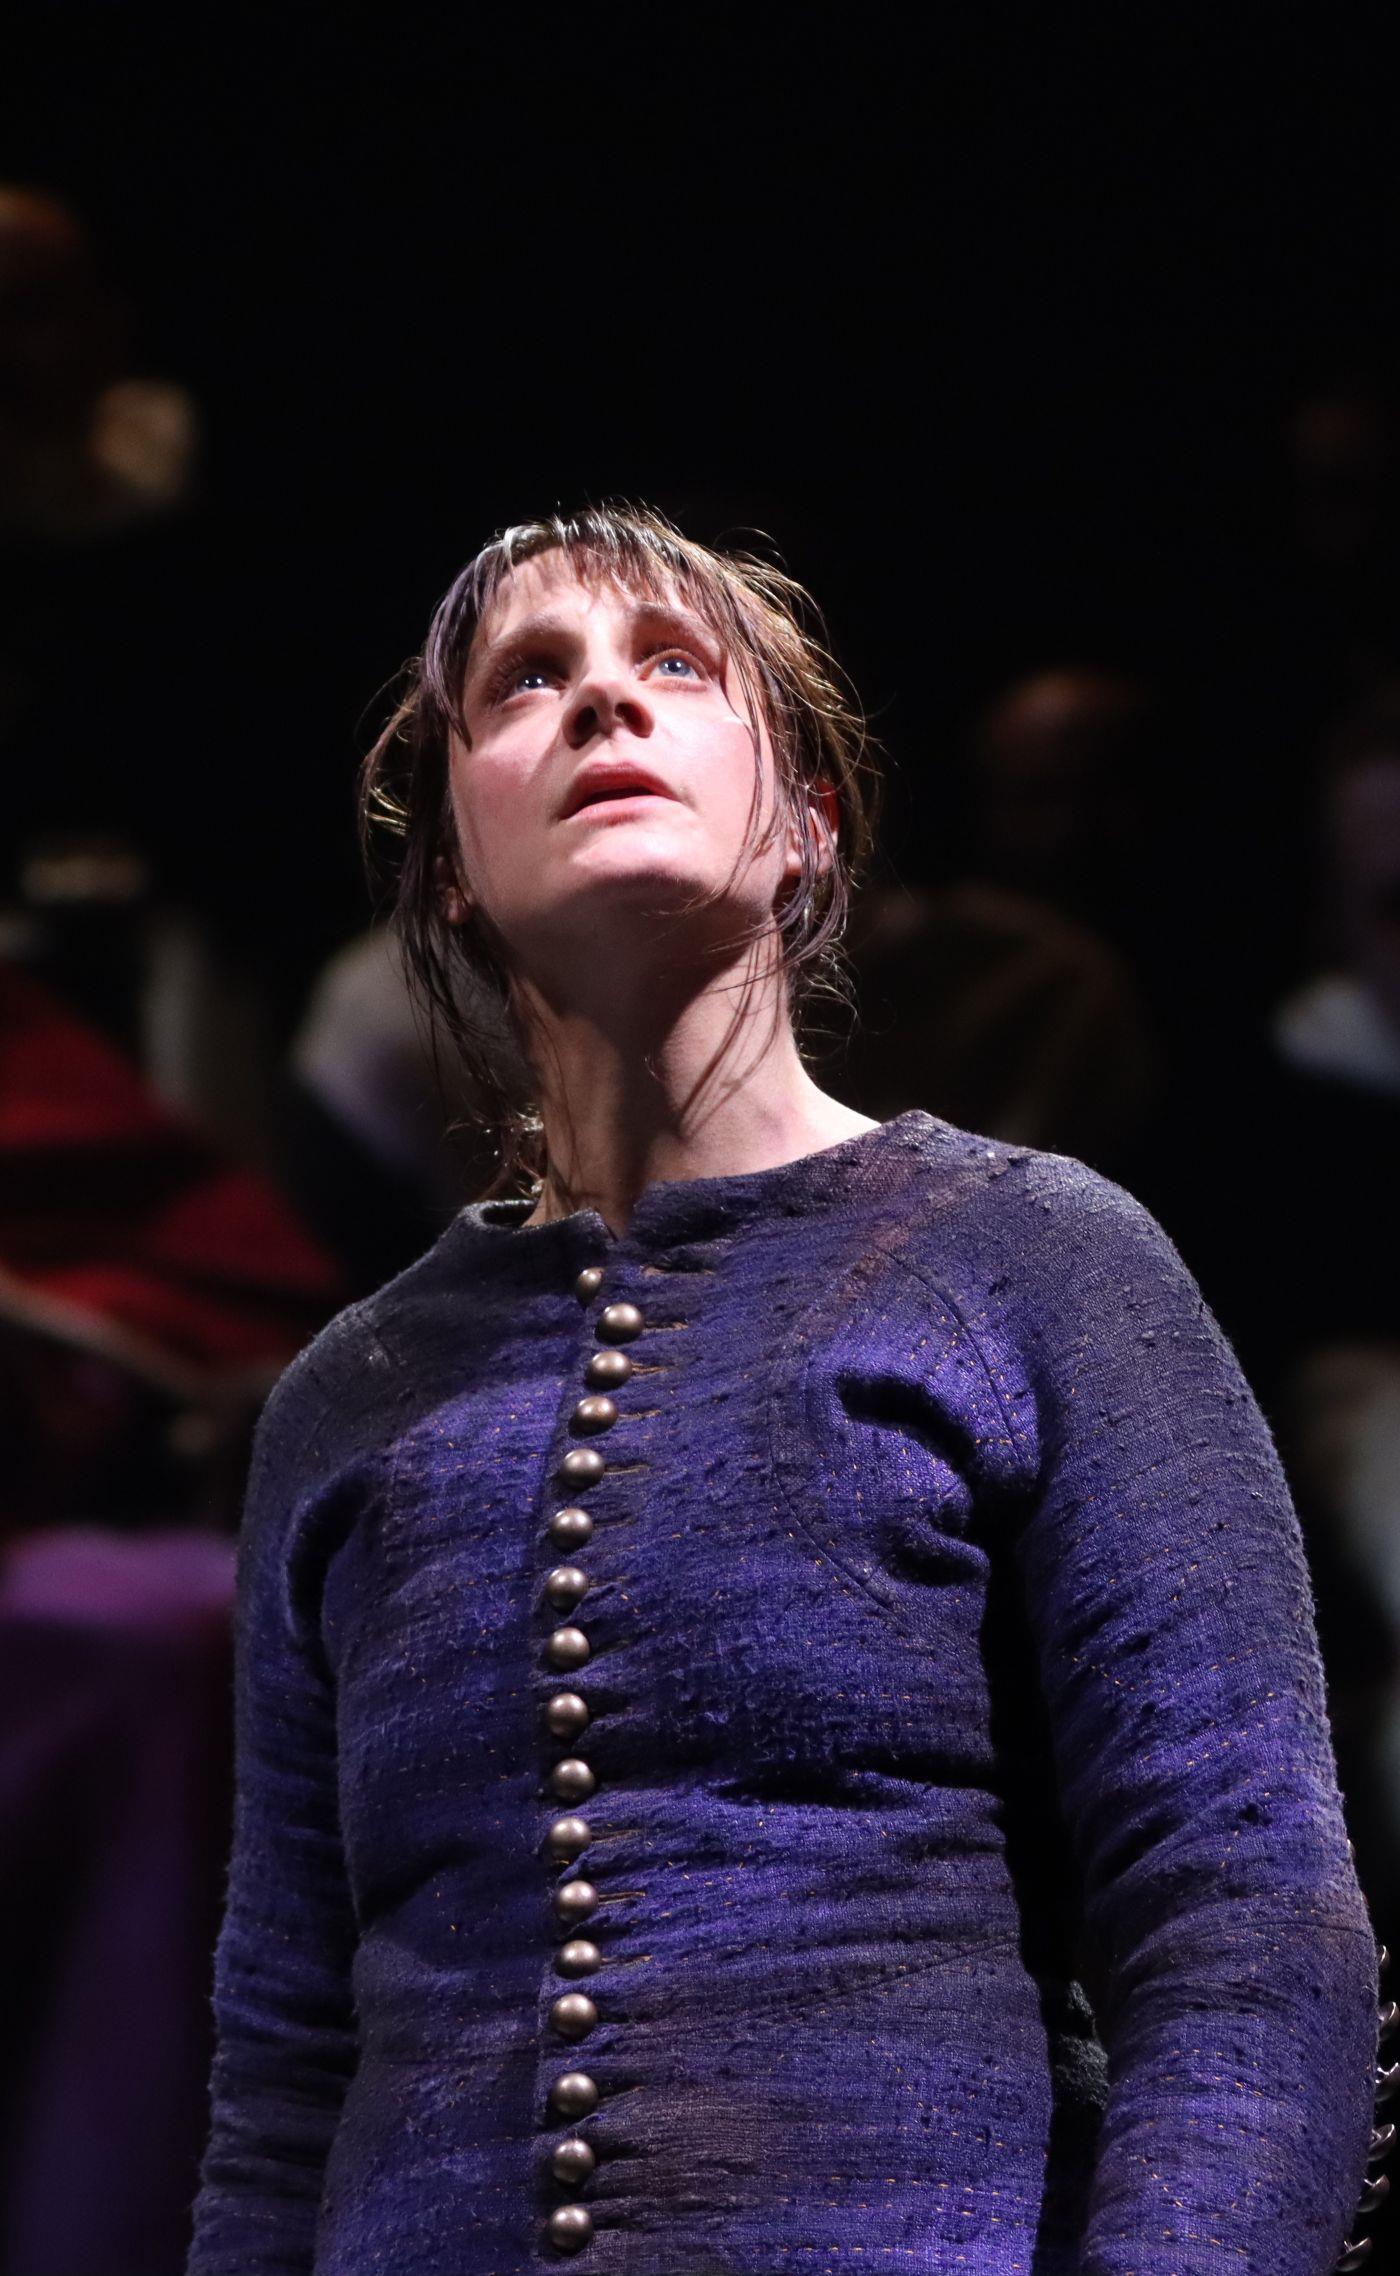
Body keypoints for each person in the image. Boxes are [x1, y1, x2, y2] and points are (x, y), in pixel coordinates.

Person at [186, 504, 1390, 2276]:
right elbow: (286, 2071)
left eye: (676, 666)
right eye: (527, 681)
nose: (604, 701)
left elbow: (1243, 1923)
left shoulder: (1034, 1264)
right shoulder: (350, 1397)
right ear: (449, 861)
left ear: (810, 823)